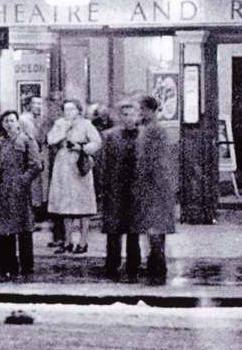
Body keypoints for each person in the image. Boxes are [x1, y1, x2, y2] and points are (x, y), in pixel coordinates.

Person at [0, 110, 45, 279]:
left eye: (12, 120)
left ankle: (27, 267)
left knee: (24, 230)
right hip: (2, 192)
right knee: (5, 231)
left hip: (20, 192)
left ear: (18, 122)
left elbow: (36, 165)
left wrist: (22, 180)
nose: (8, 124)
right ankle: (8, 266)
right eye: (5, 121)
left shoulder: (27, 140)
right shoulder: (0, 141)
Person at [46, 98, 102, 254]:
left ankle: (83, 242)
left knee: (83, 205)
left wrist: (81, 147)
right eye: (65, 109)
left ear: (78, 110)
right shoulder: (59, 123)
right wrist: (63, 131)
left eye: (71, 109)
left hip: (80, 164)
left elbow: (97, 142)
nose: (68, 112)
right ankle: (68, 241)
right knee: (66, 205)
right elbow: (50, 140)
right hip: (63, 165)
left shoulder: (86, 124)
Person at [132, 95, 177, 283]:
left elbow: (150, 161)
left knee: (154, 228)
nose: (139, 113)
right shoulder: (153, 130)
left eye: (142, 110)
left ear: (150, 110)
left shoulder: (153, 131)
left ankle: (156, 266)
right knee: (155, 228)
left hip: (154, 188)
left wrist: (142, 183)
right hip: (157, 187)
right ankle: (156, 263)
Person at [98, 100, 142, 281]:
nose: (129, 118)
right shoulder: (110, 136)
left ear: (138, 116)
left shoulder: (144, 137)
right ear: (119, 117)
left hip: (136, 190)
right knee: (114, 231)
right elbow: (103, 164)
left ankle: (133, 266)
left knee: (134, 231)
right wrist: (103, 187)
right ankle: (112, 265)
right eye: (125, 115)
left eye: (132, 114)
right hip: (115, 190)